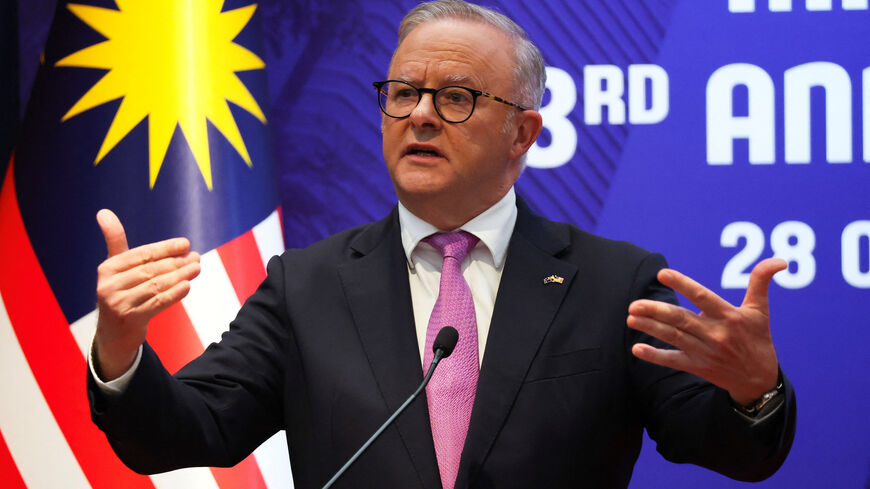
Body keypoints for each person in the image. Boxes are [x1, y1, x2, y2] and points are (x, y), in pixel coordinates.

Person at [87, 1, 796, 488]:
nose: (421, 114)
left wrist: (752, 390)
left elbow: (720, 446)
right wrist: (120, 352)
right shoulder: (307, 285)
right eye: (403, 92)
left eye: (455, 97)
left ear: (522, 133)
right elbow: (185, 432)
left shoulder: (614, 281)